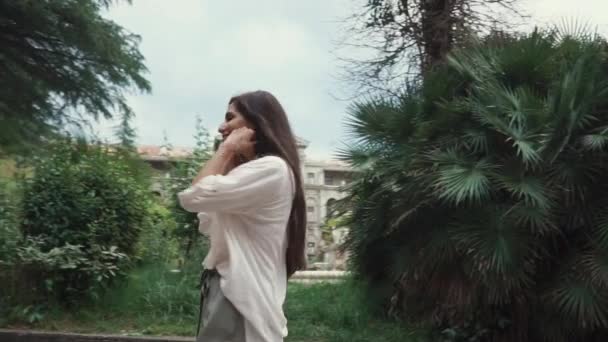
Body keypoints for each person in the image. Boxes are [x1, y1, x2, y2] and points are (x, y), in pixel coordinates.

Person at [177, 90, 307, 342]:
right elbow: (208, 219)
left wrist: (225, 150)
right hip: (231, 292)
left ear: (256, 122)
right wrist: (231, 159)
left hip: (239, 298)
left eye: (230, 118)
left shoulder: (271, 169)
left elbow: (193, 197)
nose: (221, 127)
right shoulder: (255, 172)